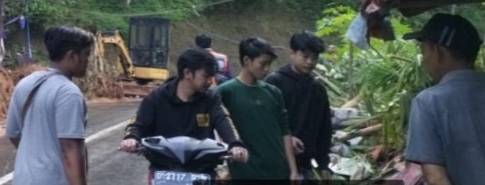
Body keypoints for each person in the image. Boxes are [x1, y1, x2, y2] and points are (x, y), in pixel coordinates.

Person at [403, 13, 485, 185]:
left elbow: (436, 177)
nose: (423, 60)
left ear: (437, 52)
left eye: (424, 51)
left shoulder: (428, 102)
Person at [120, 47, 248, 175]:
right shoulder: (157, 98)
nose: (210, 81)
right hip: (163, 170)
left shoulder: (210, 99)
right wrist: (131, 138)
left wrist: (235, 144)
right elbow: (138, 123)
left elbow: (222, 119)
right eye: (205, 76)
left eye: (211, 77)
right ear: (187, 73)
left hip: (202, 169)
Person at [5, 26, 93, 185]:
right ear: (72, 56)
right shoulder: (68, 92)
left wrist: (36, 156)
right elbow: (69, 149)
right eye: (86, 54)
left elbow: (13, 132)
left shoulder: (25, 83)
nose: (88, 61)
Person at [216, 37, 300, 182]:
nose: (267, 69)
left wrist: (293, 170)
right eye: (263, 64)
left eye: (269, 64)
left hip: (278, 171)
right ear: (247, 60)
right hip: (244, 172)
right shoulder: (225, 92)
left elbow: (285, 132)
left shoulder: (273, 92)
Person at [266, 30, 333, 181]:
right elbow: (265, 122)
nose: (310, 62)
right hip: (277, 160)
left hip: (305, 163)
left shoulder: (317, 89)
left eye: (314, 58)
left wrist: (323, 164)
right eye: (305, 56)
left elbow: (325, 128)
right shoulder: (274, 83)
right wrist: (285, 139)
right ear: (292, 53)